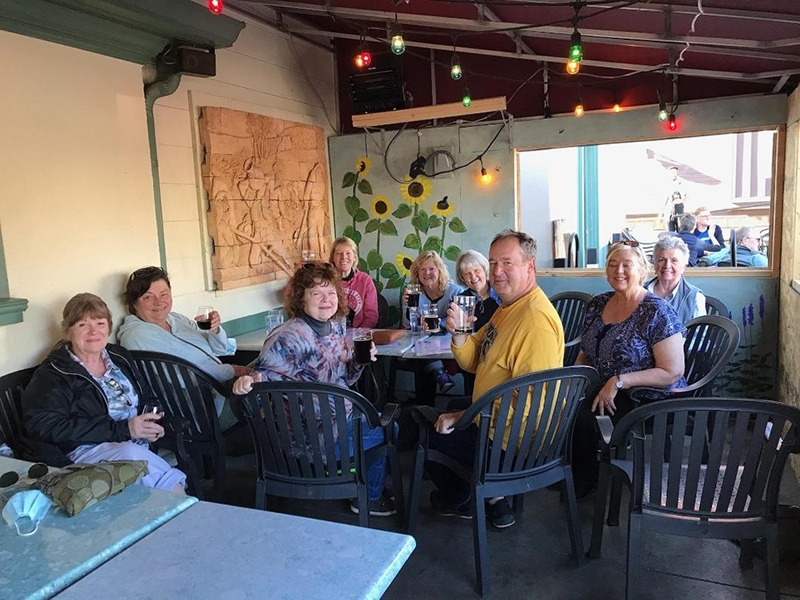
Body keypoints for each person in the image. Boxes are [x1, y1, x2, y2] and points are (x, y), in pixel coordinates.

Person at [231, 262, 395, 517]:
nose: (325, 299)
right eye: (316, 293)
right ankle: (369, 497)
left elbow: (345, 379)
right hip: (310, 439)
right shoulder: (289, 335)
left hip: (338, 420)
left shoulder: (337, 326)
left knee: (375, 417)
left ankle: (351, 477)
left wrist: (359, 362)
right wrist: (248, 382)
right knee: (387, 426)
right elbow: (262, 380)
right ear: (301, 299)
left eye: (330, 292)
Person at [429, 230, 565, 529]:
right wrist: (461, 333)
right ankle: (488, 498)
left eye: (507, 263)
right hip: (495, 417)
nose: (497, 272)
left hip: (511, 443)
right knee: (450, 405)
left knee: (431, 434)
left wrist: (468, 416)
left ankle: (463, 497)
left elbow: (532, 405)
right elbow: (474, 359)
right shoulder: (508, 307)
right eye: (493, 263)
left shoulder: (534, 322)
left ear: (530, 266)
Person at [22, 293, 186, 492]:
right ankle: (185, 505)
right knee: (138, 460)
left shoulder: (118, 356)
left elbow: (147, 396)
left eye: (100, 323)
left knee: (136, 456)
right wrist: (124, 429)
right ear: (68, 332)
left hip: (135, 444)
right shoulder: (54, 374)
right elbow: (44, 426)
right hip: (84, 452)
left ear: (108, 327)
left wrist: (151, 423)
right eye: (82, 325)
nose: (93, 332)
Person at [571, 242, 686, 495]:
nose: (618, 271)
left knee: (582, 418)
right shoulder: (598, 303)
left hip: (646, 396)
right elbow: (585, 349)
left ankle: (586, 481)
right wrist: (575, 377)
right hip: (603, 386)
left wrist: (619, 381)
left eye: (627, 265)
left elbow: (672, 371)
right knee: (562, 407)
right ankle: (574, 472)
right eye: (612, 265)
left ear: (642, 269)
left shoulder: (656, 310)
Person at [119, 267, 250, 383]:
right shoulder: (137, 336)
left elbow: (219, 350)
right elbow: (179, 379)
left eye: (164, 294)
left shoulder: (176, 319)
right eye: (148, 297)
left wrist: (214, 330)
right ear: (134, 303)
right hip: (197, 401)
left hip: (220, 381)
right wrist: (233, 371)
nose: (158, 302)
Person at [402, 251, 463, 395]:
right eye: (422, 269)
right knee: (419, 349)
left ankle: (439, 375)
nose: (427, 273)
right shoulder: (414, 293)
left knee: (422, 352)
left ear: (440, 271)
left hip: (449, 339)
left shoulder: (454, 291)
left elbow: (460, 320)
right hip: (424, 340)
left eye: (431, 269)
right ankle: (425, 407)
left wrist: (439, 324)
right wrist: (408, 307)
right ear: (417, 273)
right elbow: (407, 324)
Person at [454, 250, 501, 395]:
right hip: (473, 351)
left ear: (484, 270)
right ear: (462, 278)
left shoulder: (499, 293)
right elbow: (458, 329)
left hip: (498, 350)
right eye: (467, 274)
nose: (473, 277)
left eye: (476, 270)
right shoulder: (462, 299)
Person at [646, 236, 706, 323]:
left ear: (684, 267)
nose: (667, 266)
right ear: (655, 264)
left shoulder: (695, 298)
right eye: (662, 260)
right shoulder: (639, 292)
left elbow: (699, 335)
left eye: (674, 260)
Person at [330, 236, 378, 329]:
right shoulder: (326, 280)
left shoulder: (365, 280)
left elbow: (371, 316)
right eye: (339, 253)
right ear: (333, 258)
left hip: (360, 335)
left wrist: (359, 335)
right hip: (332, 335)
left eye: (348, 253)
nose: (344, 257)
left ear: (354, 257)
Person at [702, 226, 768, 267]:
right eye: (758, 239)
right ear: (745, 240)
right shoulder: (758, 259)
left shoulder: (721, 257)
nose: (759, 243)